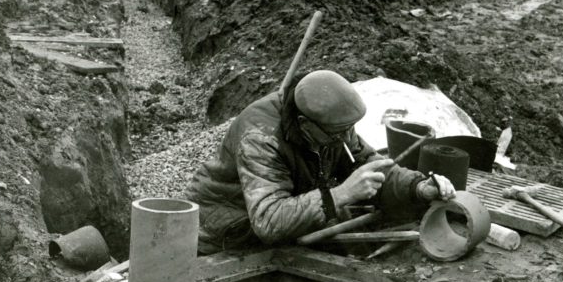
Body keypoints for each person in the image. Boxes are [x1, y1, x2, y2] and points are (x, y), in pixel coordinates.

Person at [185, 69, 455, 254]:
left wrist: (418, 187)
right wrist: (341, 194)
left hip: (283, 223)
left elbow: (371, 167)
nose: (344, 138)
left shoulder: (329, 126)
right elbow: (268, 220)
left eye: (347, 130)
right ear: (305, 124)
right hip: (227, 234)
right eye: (337, 133)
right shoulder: (261, 139)